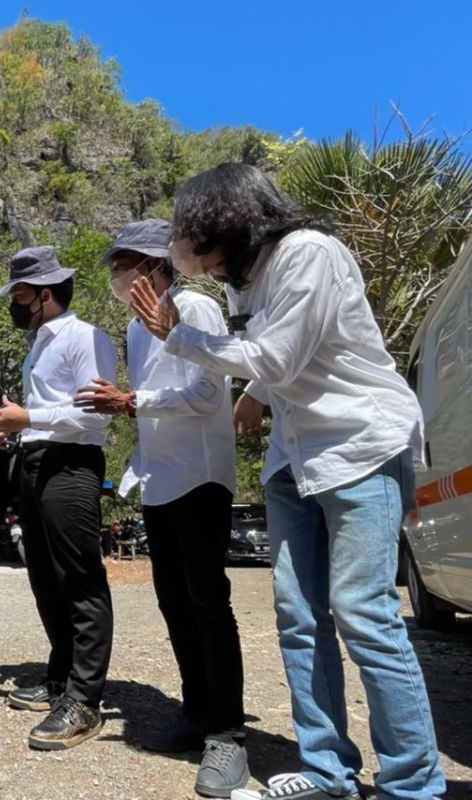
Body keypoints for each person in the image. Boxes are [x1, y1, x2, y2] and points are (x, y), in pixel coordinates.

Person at [131, 163, 445, 800]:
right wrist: (252, 391)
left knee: (364, 614)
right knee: (299, 617)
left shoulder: (310, 254)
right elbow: (273, 360)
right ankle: (329, 771)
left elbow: (277, 355)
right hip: (292, 459)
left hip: (358, 445)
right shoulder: (243, 280)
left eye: (206, 248)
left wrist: (182, 337)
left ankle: (414, 782)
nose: (207, 267)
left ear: (235, 224)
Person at [75, 220, 247, 797]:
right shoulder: (134, 328)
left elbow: (206, 395)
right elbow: (148, 406)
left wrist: (131, 401)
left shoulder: (195, 309)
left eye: (127, 262)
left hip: (200, 474)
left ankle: (227, 734)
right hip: (159, 480)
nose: (118, 275)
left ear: (156, 265)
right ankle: (196, 712)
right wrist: (136, 455)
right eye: (115, 265)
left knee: (207, 602)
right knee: (173, 602)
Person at [0, 246, 117, 751]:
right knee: (44, 578)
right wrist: (18, 430)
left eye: (21, 295)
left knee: (79, 578)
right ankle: (60, 679)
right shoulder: (38, 344)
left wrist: (31, 420)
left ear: (45, 294)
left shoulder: (84, 337)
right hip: (35, 462)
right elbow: (43, 410)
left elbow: (96, 415)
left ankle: (86, 699)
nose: (16, 304)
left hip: (71, 466)